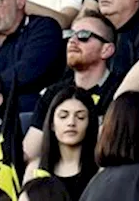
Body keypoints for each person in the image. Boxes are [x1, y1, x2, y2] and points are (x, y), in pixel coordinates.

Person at [22, 12, 119, 165]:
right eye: (70, 35)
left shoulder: (119, 91)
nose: (73, 41)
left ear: (106, 50)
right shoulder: (53, 93)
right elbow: (29, 152)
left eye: (83, 35)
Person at [24, 86, 99, 198]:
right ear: (52, 124)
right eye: (63, 116)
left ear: (90, 124)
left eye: (80, 117)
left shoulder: (100, 171)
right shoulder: (35, 170)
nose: (71, 122)